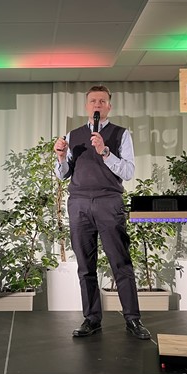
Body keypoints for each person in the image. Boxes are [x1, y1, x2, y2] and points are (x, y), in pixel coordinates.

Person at [54, 85, 150, 340]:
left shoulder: (121, 134)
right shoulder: (73, 135)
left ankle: (132, 318)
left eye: (102, 101)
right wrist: (61, 157)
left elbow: (128, 172)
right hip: (79, 203)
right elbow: (63, 175)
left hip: (109, 201)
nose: (97, 105)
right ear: (86, 106)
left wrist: (105, 152)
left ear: (109, 106)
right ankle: (92, 318)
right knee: (85, 266)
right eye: (93, 101)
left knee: (120, 262)